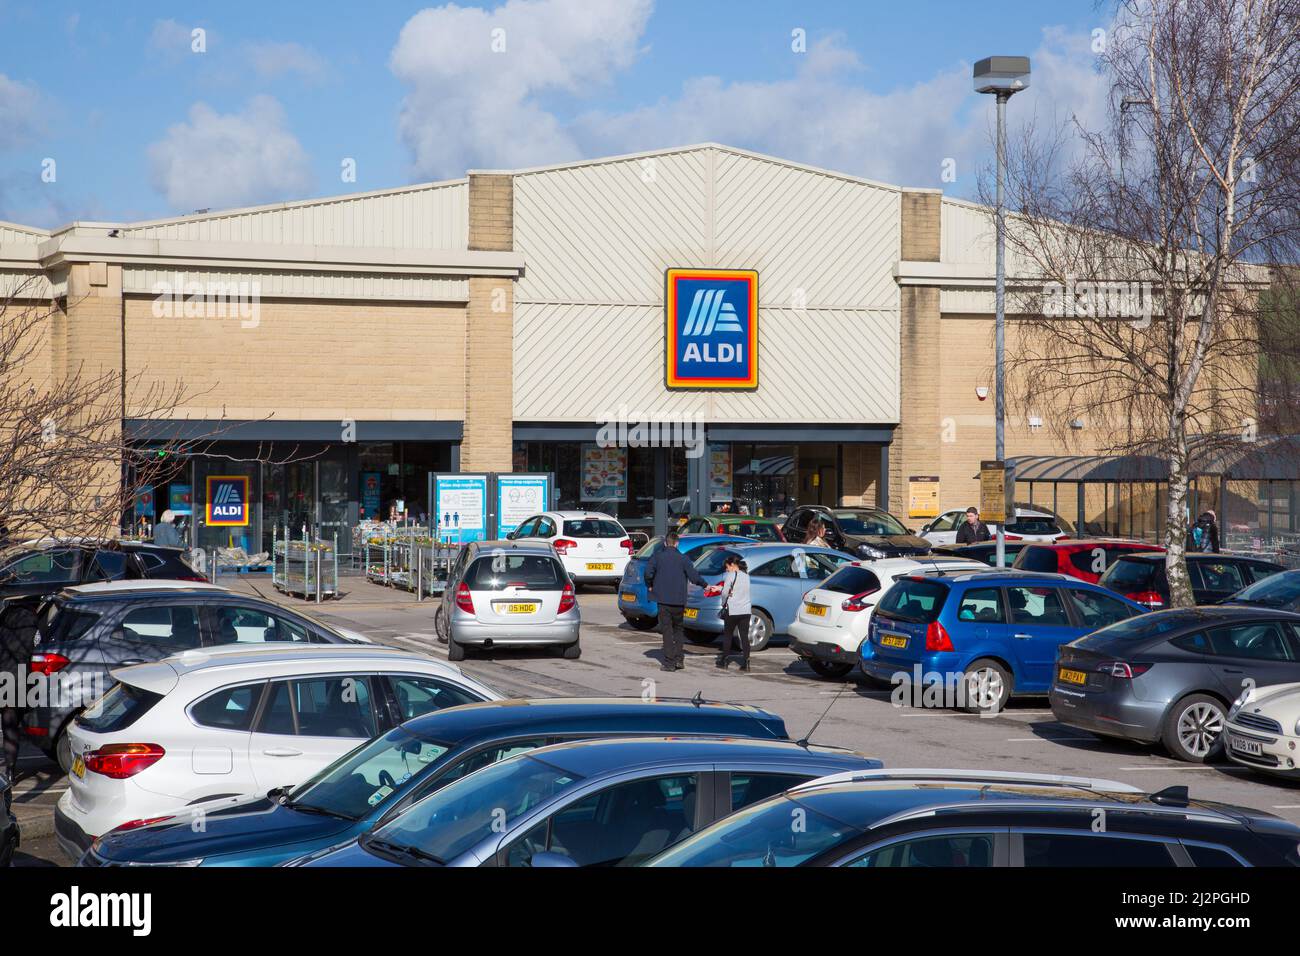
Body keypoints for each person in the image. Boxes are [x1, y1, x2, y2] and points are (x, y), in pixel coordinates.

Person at [643, 530, 706, 672]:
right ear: (677, 544)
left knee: (666, 631)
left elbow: (648, 573)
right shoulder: (684, 559)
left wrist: (650, 585)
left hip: (663, 600)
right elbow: (694, 576)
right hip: (679, 601)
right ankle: (679, 660)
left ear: (666, 543)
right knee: (678, 630)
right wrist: (706, 585)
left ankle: (669, 662)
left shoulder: (657, 556)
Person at [0, 598, 38, 783]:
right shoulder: (32, 623)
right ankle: (10, 771)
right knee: (11, 726)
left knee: (9, 725)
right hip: (18, 678)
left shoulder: (5, 620)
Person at [714, 553, 752, 671]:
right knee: (744, 636)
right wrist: (719, 588)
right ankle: (746, 662)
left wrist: (723, 603)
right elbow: (735, 590)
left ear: (732, 565)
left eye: (727, 567)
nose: (726, 569)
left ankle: (724, 660)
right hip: (746, 610)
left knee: (728, 635)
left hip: (733, 610)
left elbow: (726, 592)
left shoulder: (731, 575)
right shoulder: (746, 576)